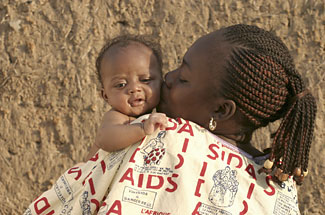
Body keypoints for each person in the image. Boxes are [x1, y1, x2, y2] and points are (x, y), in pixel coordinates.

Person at [24, 24, 316, 215]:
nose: (169, 78)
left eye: (184, 78)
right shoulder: (278, 184)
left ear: (221, 111)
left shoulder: (170, 138)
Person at [85, 35, 168, 160]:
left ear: (162, 81)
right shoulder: (117, 118)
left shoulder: (158, 115)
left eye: (145, 80)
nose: (134, 88)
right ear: (106, 96)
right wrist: (142, 128)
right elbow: (106, 138)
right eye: (121, 85)